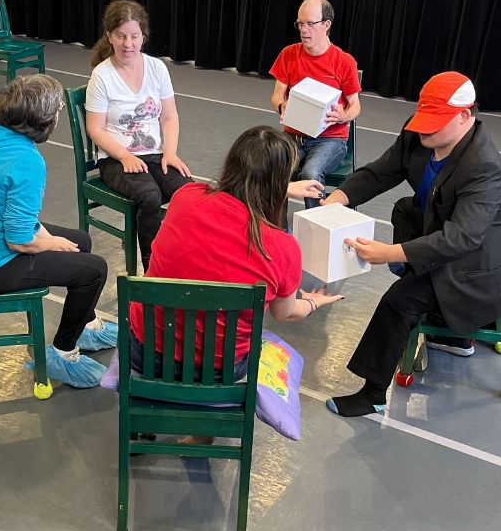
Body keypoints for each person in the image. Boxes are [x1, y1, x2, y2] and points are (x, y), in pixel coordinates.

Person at [322, 72, 501, 417]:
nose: (425, 129)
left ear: (464, 116)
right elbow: (381, 172)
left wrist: (390, 254)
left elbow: (462, 238)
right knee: (405, 210)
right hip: (444, 237)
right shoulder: (419, 134)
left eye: (436, 122)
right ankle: (444, 326)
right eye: (423, 119)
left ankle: (372, 395)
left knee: (399, 301)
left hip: (473, 269)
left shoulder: (483, 168)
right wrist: (338, 198)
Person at [129, 126, 343, 389]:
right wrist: (313, 303)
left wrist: (279, 188)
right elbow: (285, 313)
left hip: (145, 351)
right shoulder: (283, 247)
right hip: (219, 370)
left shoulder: (185, 197)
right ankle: (202, 430)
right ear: (279, 181)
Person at [0, 75, 117, 390]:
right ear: (41, 123)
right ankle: (62, 353)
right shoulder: (25, 160)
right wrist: (52, 243)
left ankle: (85, 324)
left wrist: (54, 241)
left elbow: (8, 212)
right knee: (94, 270)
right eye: (59, 108)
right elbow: (19, 240)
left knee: (82, 241)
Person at [85, 0, 194, 271]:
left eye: (134, 36)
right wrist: (123, 155)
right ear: (109, 36)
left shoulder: (157, 68)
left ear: (143, 36)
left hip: (156, 153)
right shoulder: (102, 76)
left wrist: (170, 152)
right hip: (115, 158)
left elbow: (169, 116)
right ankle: (152, 268)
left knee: (188, 192)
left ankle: (177, 256)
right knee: (150, 197)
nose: (128, 44)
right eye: (121, 36)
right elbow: (95, 128)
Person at [270, 0, 362, 207]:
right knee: (275, 168)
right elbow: (276, 97)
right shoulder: (289, 54)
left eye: (310, 24)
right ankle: (279, 231)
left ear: (326, 25)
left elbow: (355, 105)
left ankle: (315, 227)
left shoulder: (344, 62)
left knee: (310, 172)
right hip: (293, 136)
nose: (304, 30)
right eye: (300, 24)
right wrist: (282, 106)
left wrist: (343, 115)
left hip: (330, 140)